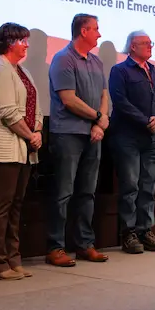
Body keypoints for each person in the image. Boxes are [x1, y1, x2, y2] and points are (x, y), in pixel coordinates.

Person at [0, 23, 42, 280]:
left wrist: (38, 130)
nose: (27, 45)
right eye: (23, 40)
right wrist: (31, 135)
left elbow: (36, 107)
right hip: (2, 148)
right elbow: (8, 113)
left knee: (16, 206)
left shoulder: (22, 71)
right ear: (9, 42)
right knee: (1, 207)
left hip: (23, 148)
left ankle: (14, 259)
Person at [45, 13, 110, 266]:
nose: (99, 34)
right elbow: (68, 99)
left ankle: (84, 244)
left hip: (93, 134)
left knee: (87, 192)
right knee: (63, 193)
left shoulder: (96, 61)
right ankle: (55, 247)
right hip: (68, 133)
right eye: (96, 29)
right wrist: (98, 118)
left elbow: (104, 95)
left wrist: (100, 123)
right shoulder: (63, 58)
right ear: (83, 31)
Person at [109, 31, 155, 254]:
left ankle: (145, 231)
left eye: (150, 43)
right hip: (128, 137)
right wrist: (145, 121)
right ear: (133, 47)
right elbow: (120, 102)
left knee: (148, 187)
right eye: (145, 43)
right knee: (130, 186)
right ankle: (129, 233)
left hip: (152, 139)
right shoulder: (120, 71)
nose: (150, 46)